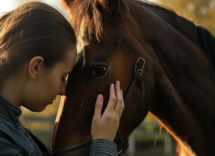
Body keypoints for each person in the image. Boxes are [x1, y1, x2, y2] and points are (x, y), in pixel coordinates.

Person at [0, 2, 124, 156]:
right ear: (36, 67)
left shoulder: (12, 131)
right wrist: (103, 145)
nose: (63, 91)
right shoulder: (4, 139)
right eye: (63, 77)